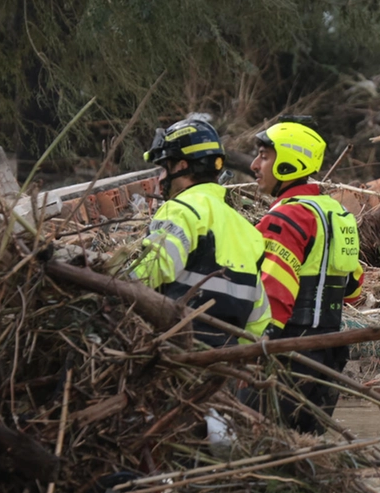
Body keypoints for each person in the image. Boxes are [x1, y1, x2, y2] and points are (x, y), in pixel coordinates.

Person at [250, 121, 365, 434]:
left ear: (288, 162)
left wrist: (256, 345)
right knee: (308, 447)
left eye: (263, 156)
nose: (254, 165)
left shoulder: (286, 216)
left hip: (289, 351)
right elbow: (353, 289)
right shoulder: (337, 213)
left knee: (259, 439)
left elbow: (275, 290)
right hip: (331, 350)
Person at [131, 118, 271, 346]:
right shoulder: (249, 231)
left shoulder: (181, 210)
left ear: (181, 166)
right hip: (225, 362)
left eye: (163, 168)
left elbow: (150, 272)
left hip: (175, 351)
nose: (160, 178)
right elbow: (258, 318)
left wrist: (109, 287)